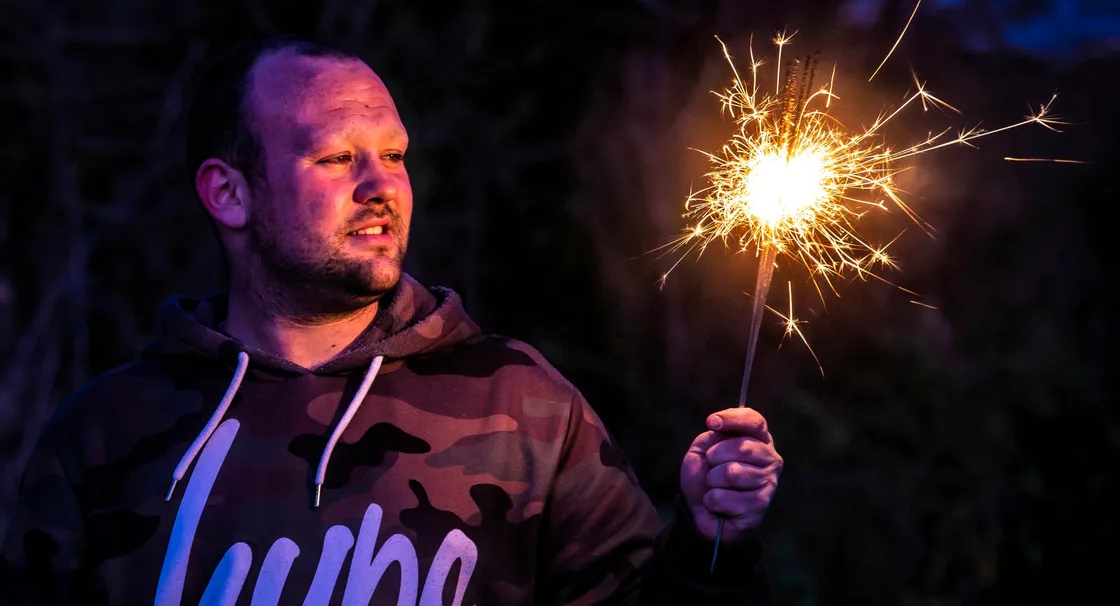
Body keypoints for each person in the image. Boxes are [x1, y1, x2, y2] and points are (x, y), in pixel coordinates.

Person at [0, 37, 782, 605]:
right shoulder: (103, 435)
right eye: (337, 159)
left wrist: (713, 541)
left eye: (396, 155)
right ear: (229, 194)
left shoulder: (524, 411)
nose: (382, 186)